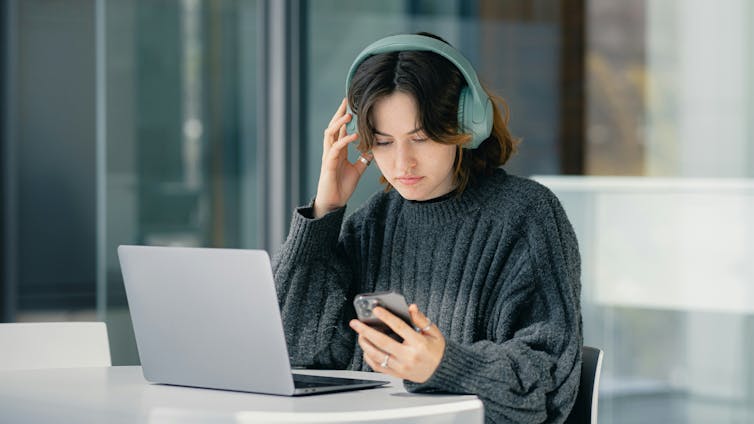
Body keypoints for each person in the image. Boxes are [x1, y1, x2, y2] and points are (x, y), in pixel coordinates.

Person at [272, 32, 582, 424]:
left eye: (420, 138)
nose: (403, 163)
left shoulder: (526, 216)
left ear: (466, 123)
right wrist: (325, 212)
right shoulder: (373, 222)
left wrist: (444, 365)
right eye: (383, 143)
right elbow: (296, 353)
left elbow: (549, 384)